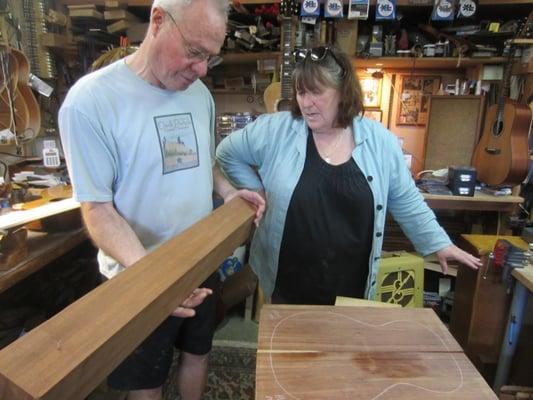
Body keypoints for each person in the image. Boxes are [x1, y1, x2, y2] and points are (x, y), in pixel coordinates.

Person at [58, 0, 265, 399]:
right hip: (138, 278)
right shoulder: (91, 103)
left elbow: (200, 161)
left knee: (197, 354)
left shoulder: (198, 94)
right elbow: (97, 209)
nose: (202, 69)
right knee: (146, 382)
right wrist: (156, 281)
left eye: (210, 57)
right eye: (194, 52)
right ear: (157, 21)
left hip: (199, 262)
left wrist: (226, 190)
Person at [216, 46, 481, 306]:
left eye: (316, 93)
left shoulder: (381, 142)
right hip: (286, 284)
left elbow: (406, 200)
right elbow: (226, 153)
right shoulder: (276, 131)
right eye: (300, 92)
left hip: (352, 288)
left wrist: (438, 243)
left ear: (343, 92)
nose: (306, 103)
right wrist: (257, 191)